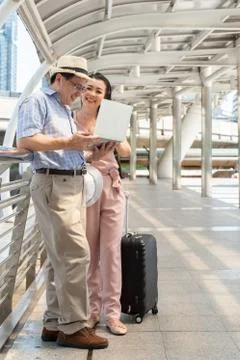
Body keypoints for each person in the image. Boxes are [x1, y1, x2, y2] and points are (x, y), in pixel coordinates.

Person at [16, 55, 109, 350]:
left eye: (85, 87)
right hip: (54, 185)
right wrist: (69, 142)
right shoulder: (38, 101)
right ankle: (74, 327)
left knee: (60, 258)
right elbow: (27, 140)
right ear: (59, 79)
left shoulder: (64, 109)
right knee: (77, 255)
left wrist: (93, 152)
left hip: (70, 182)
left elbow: (67, 151)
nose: (81, 93)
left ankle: (54, 322)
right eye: (78, 85)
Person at [75, 72, 131, 335]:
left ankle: (112, 313)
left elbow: (127, 152)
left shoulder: (109, 119)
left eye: (99, 90)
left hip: (111, 186)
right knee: (89, 253)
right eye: (88, 88)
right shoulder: (70, 119)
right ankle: (91, 312)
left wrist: (116, 140)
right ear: (81, 90)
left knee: (111, 253)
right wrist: (90, 153)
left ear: (105, 96)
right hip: (86, 188)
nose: (92, 93)